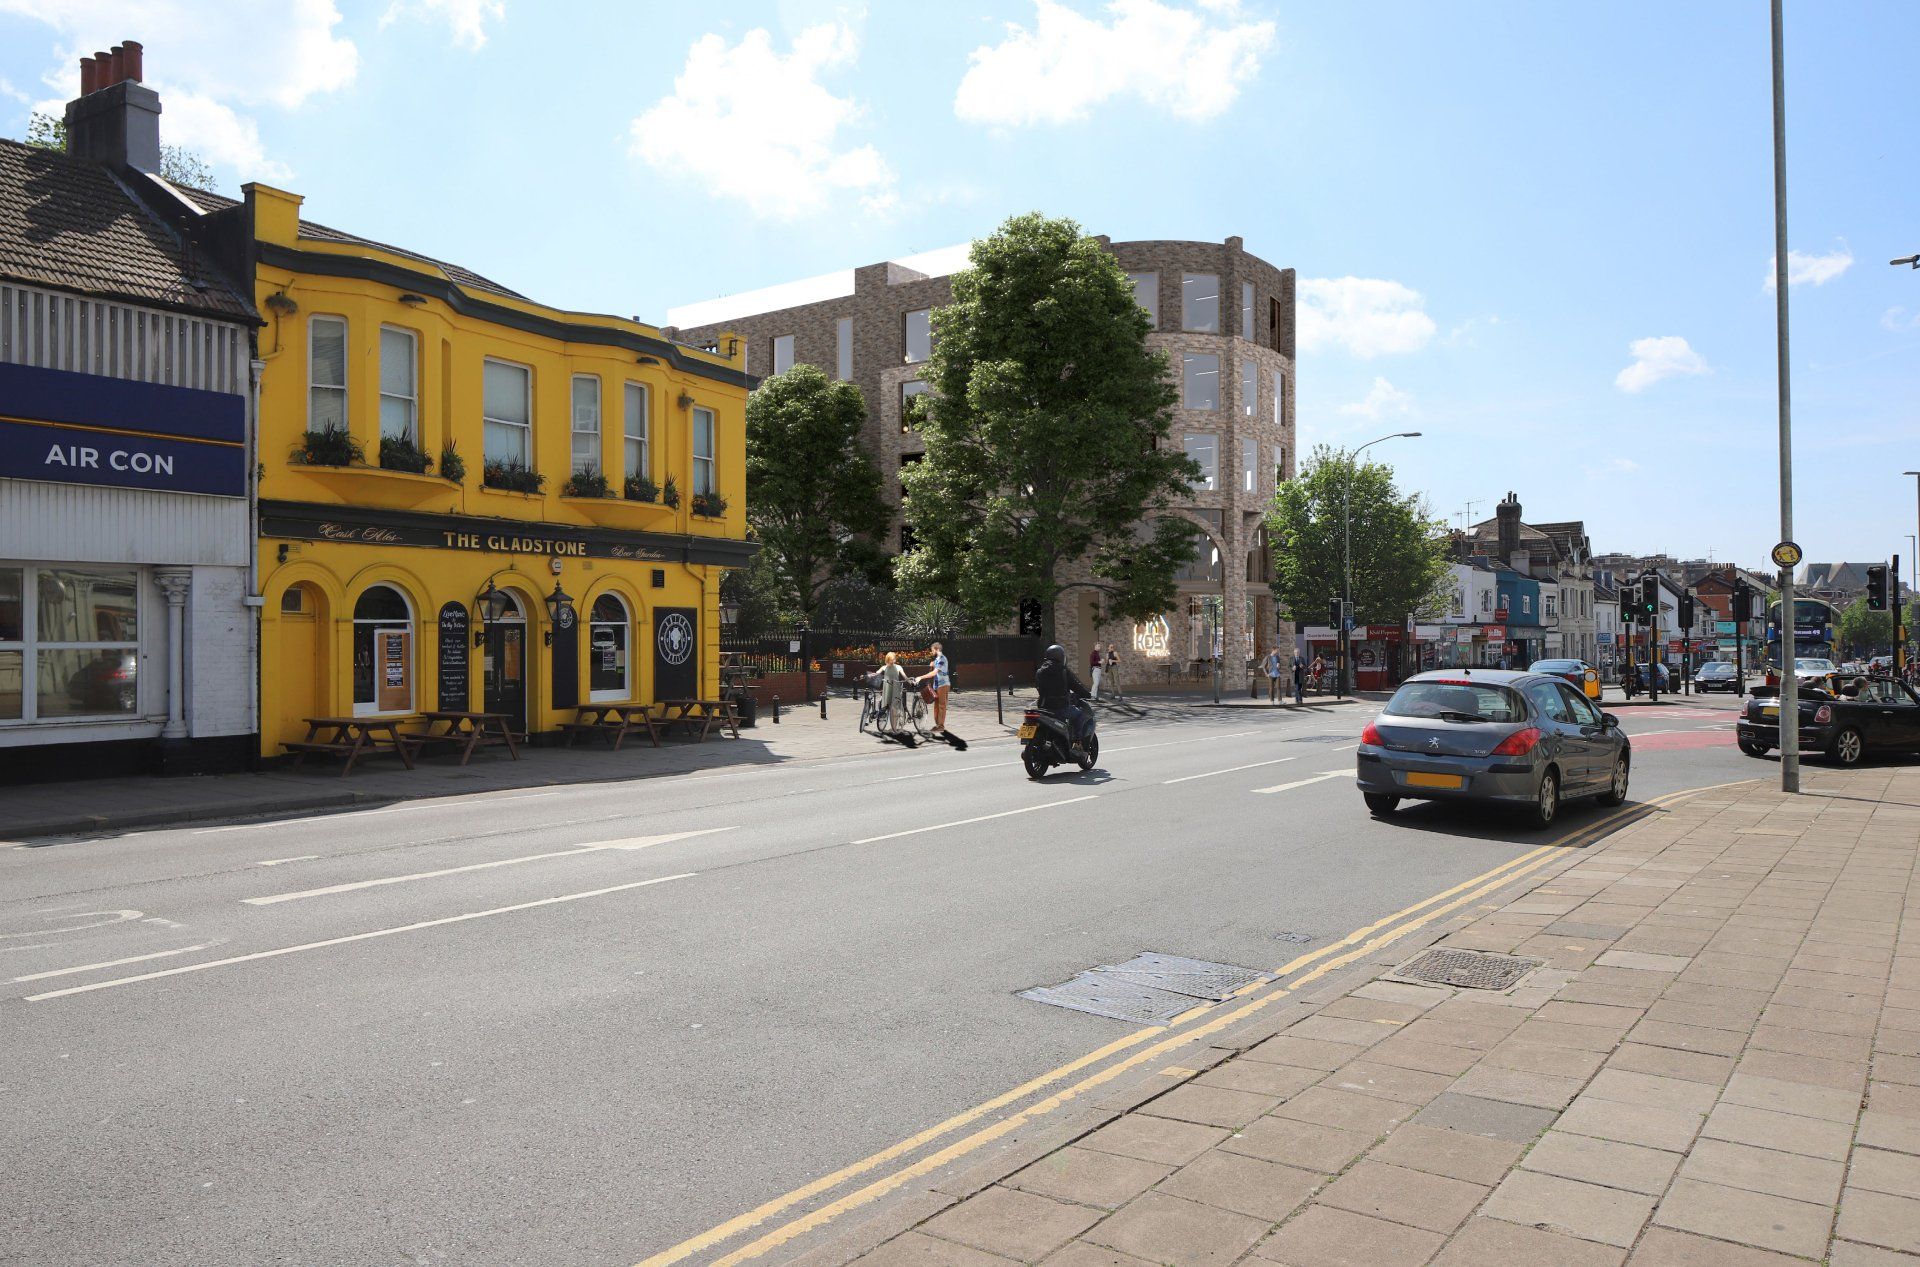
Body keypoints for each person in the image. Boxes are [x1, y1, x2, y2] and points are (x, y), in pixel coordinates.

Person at [1037, 643, 1093, 755]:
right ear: (1061, 657)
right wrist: (1087, 694)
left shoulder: (1040, 671)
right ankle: (1077, 744)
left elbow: (1038, 687)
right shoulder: (1063, 671)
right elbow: (1076, 686)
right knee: (1079, 715)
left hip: (1043, 707)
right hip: (1059, 707)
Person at [913, 640, 951, 733]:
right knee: (936, 706)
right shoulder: (937, 659)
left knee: (941, 705)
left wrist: (921, 677)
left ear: (937, 649)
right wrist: (932, 664)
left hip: (943, 685)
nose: (932, 652)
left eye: (932, 650)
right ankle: (937, 725)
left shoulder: (942, 658)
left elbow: (934, 673)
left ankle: (941, 726)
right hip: (937, 685)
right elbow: (934, 668)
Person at [870, 651, 909, 731]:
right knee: (885, 705)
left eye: (893, 659)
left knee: (894, 708)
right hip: (887, 688)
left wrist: (910, 681)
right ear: (887, 660)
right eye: (890, 660)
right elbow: (877, 673)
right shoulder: (884, 667)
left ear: (895, 659)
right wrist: (869, 675)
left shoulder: (898, 667)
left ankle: (894, 727)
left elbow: (905, 676)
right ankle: (884, 718)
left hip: (895, 688)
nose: (892, 661)